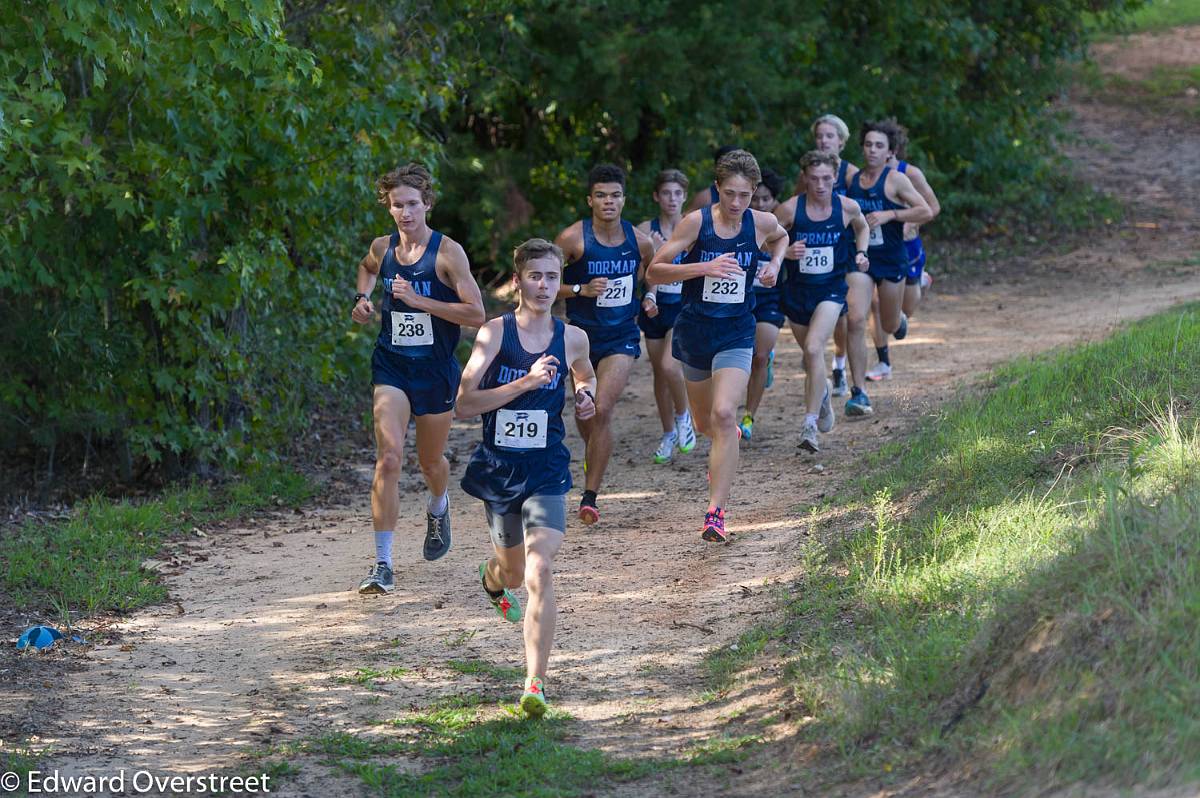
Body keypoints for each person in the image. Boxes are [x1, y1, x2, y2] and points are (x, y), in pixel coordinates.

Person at [457, 238, 598, 718]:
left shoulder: (572, 336)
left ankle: (535, 683)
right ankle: (492, 579)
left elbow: (585, 373)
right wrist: (525, 383)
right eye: (535, 276)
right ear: (517, 281)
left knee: (539, 569)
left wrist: (585, 394)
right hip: (500, 470)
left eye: (552, 277)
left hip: (546, 470)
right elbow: (464, 404)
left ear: (561, 283)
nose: (544, 285)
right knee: (514, 573)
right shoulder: (494, 334)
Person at [351, 163, 486, 595]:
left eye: (412, 204)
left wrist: (419, 300)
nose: (405, 212)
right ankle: (383, 563)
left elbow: (476, 314)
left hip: (435, 371)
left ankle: (438, 504)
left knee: (430, 463)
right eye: (397, 205)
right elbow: (366, 268)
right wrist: (363, 299)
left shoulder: (448, 254)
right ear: (388, 208)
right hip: (391, 366)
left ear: (427, 203)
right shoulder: (383, 247)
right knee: (389, 459)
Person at [648, 149, 788, 543]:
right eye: (729, 193)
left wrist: (774, 264)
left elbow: (782, 237)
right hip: (695, 332)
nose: (736, 203)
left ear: (754, 192)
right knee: (704, 424)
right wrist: (703, 267)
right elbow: (654, 269)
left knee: (726, 415)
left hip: (737, 332)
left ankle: (716, 514)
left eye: (744, 195)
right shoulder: (696, 223)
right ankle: (722, 454)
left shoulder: (762, 223)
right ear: (716, 189)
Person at [555, 164, 655, 524]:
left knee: (601, 407)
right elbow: (538, 281)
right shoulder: (572, 239)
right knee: (587, 414)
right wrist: (580, 289)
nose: (608, 202)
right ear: (590, 200)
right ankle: (593, 454)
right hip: (580, 339)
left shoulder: (640, 240)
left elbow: (654, 269)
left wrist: (651, 294)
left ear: (624, 199)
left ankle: (590, 496)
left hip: (621, 337)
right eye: (601, 195)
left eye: (614, 195)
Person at [775, 151, 871, 450]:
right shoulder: (789, 210)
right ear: (804, 178)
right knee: (810, 358)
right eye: (814, 178)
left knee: (816, 347)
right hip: (797, 293)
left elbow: (862, 226)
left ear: (835, 177)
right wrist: (785, 252)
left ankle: (809, 425)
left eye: (826, 178)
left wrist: (862, 251)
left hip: (831, 290)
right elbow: (764, 239)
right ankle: (824, 391)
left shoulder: (846, 206)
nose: (820, 185)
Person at [845, 120, 933, 387]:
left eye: (879, 146)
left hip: (892, 258)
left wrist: (890, 214)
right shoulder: (852, 180)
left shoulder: (896, 179)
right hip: (862, 258)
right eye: (868, 144)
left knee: (891, 323)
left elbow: (926, 211)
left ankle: (900, 319)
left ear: (890, 152)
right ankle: (858, 391)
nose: (872, 150)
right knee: (856, 318)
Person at [637, 169, 698, 464]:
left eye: (677, 193)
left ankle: (684, 416)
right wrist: (652, 255)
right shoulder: (644, 231)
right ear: (656, 196)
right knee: (660, 374)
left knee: (670, 367)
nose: (672, 199)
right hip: (654, 306)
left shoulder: (694, 227)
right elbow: (637, 273)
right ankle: (667, 433)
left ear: (685, 196)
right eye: (666, 193)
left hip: (685, 307)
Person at [811, 114, 859, 397]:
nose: (823, 141)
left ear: (841, 141)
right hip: (814, 252)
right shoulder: (808, 171)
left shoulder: (852, 175)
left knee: (844, 316)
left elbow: (860, 212)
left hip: (845, 251)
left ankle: (839, 365)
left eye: (829, 136)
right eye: (819, 136)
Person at [737, 168, 787, 441]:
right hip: (738, 298)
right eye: (756, 199)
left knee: (759, 356)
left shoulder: (781, 224)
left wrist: (785, 256)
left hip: (769, 300)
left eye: (766, 199)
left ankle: (748, 417)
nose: (760, 205)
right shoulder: (733, 223)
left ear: (774, 200)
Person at [685, 145, 739, 213]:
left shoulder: (753, 198)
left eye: (735, 167)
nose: (731, 171)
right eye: (726, 167)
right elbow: (684, 220)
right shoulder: (704, 199)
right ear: (716, 169)